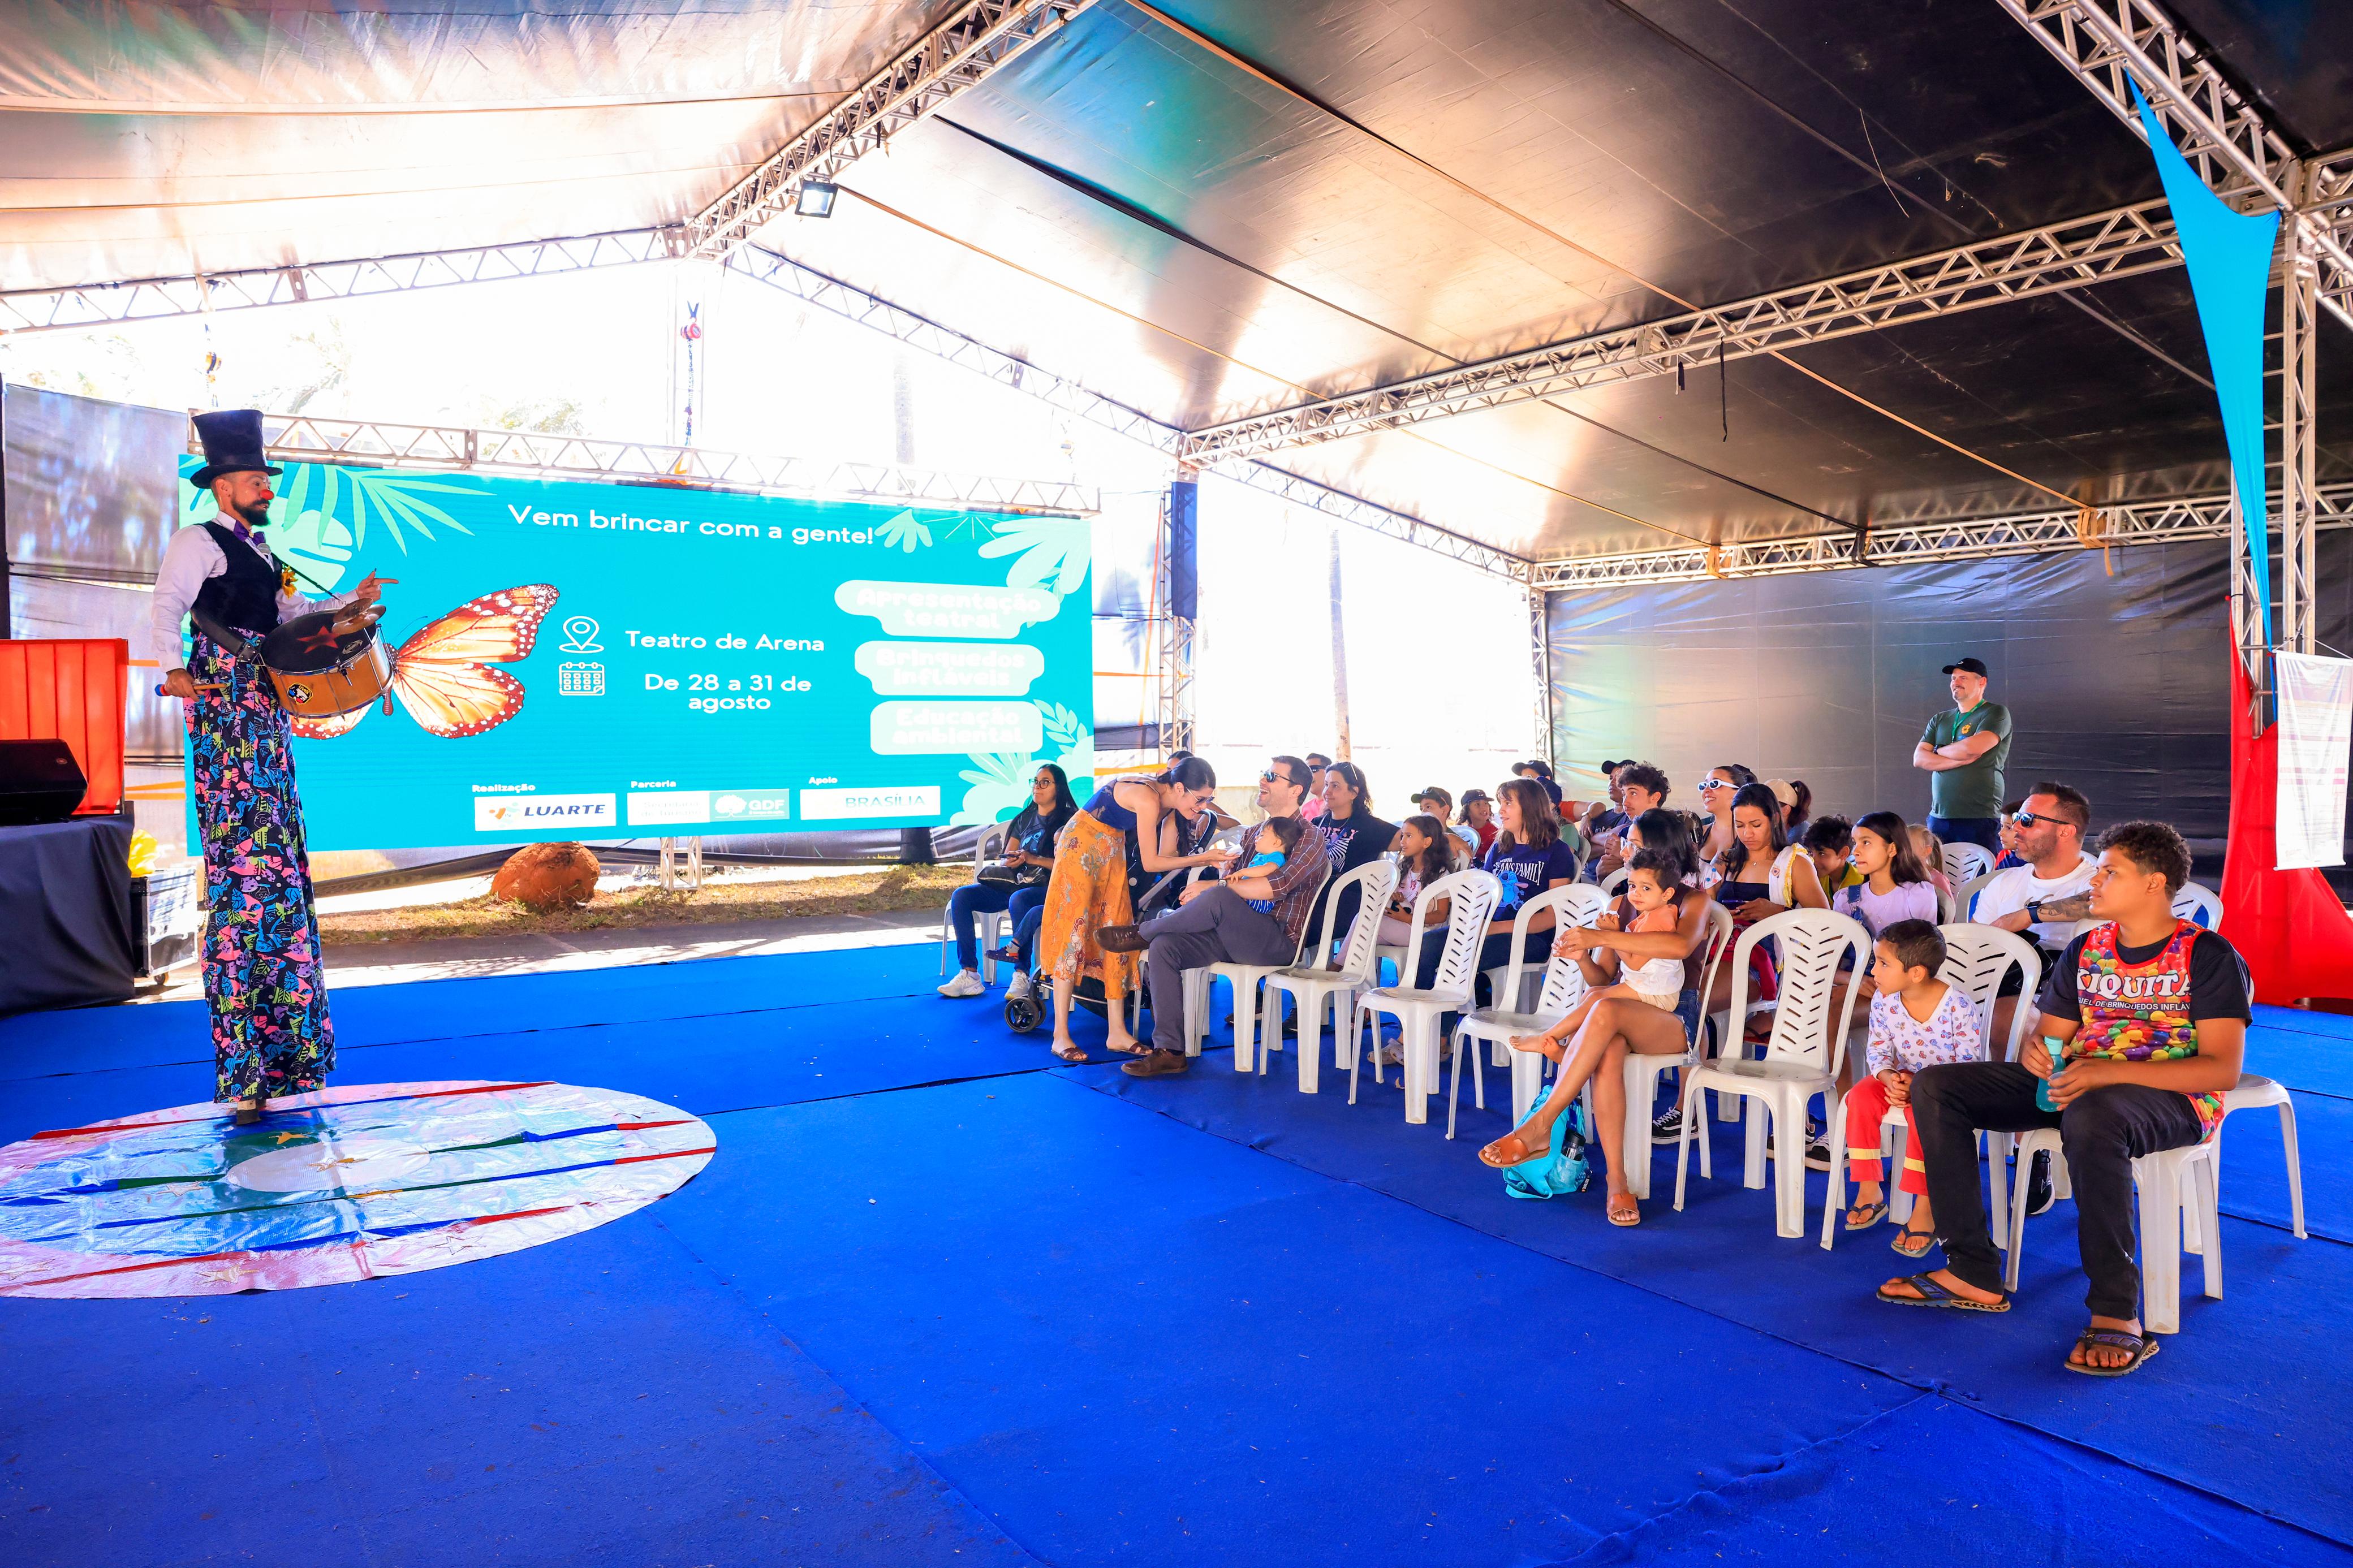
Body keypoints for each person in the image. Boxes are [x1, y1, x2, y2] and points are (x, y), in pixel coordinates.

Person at [1880, 822, 2248, 1377]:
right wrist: (2040, 1052)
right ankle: (1971, 1270)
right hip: (2080, 1083)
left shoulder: (2206, 954)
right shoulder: (2086, 948)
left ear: (2153, 884)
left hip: (2171, 1099)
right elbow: (2051, 1034)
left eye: (2109, 871)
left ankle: (2115, 1311)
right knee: (1938, 1085)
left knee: (2093, 1113)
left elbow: (2221, 1067)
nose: (2094, 880)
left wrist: (2102, 1071)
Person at [153, 409, 383, 1125]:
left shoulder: (265, 553)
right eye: (256, 480)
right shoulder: (199, 541)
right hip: (225, 707)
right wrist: (171, 668)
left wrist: (352, 606)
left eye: (266, 481)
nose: (266, 491)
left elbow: (298, 615)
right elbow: (168, 606)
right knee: (246, 872)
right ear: (223, 486)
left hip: (265, 712)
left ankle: (285, 1058)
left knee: (276, 868)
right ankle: (248, 1062)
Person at [1479, 835, 1719, 1226]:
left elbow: (1677, 946)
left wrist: (1605, 935)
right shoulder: (1624, 902)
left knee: (1604, 1006)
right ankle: (1617, 1181)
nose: (1622, 849)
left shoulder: (1690, 899)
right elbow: (1602, 977)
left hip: (1674, 1016)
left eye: (1634, 841)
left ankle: (1541, 1124)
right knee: (1605, 1031)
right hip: (1624, 1005)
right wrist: (1583, 955)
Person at [1100, 756, 1333, 1079]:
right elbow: (1230, 889)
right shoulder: (1253, 834)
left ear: (1296, 790)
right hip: (1233, 934)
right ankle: (1170, 1051)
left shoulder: (1309, 836)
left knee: (1221, 895)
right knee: (1165, 947)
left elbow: (1274, 887)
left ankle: (1143, 931)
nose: (1262, 780)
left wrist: (1215, 885)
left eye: (1272, 777)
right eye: (1263, 773)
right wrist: (1216, 884)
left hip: (1277, 941)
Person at [1035, 757, 1225, 1062]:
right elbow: (1152, 863)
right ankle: (1060, 1035)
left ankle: (1117, 1032)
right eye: (1200, 799)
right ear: (1179, 788)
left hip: (1110, 846)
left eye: (1209, 800)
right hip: (1081, 845)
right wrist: (1202, 859)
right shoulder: (1149, 798)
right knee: (1073, 933)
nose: (1203, 806)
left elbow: (1165, 855)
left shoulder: (1166, 802)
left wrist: (1200, 851)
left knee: (1117, 933)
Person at [1835, 921, 1984, 1255]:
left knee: (1925, 1114)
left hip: (1945, 1091)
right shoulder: (1884, 1000)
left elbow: (1968, 1066)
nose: (1875, 971)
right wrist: (1888, 1077)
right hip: (1901, 1078)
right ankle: (1869, 1188)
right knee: (1859, 1097)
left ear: (1916, 973)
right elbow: (1878, 1049)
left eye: (1884, 964)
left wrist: (1919, 1085)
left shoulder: (1957, 1007)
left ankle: (1926, 1205)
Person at [1504, 852, 1686, 1057]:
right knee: (1592, 993)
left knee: (1597, 997)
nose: (1636, 894)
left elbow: (1635, 964)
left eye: (1646, 888)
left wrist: (1610, 935)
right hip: (1643, 987)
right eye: (1632, 886)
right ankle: (1571, 1049)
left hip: (1656, 993)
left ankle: (1548, 1038)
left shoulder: (1661, 918)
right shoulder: (1649, 914)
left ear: (1667, 893)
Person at [1417, 778, 1576, 996]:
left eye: (1508, 804)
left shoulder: (1557, 852)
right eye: (1501, 804)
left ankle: (1445, 1026)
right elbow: (1484, 894)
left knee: (1461, 955)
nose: (1500, 811)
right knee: (1426, 944)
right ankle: (1427, 1016)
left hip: (1532, 937)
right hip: (1490, 930)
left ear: (1530, 807)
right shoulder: (1501, 847)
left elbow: (1552, 917)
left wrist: (1494, 928)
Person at [940, 763, 1076, 999]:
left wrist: (1034, 859)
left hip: (1049, 888)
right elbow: (1006, 858)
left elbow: (1072, 866)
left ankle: (1021, 974)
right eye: (1035, 781)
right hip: (1016, 883)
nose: (1037, 787)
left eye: (1045, 782)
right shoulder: (1024, 818)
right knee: (962, 895)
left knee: (1019, 899)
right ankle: (970, 974)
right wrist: (1012, 860)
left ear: (1059, 788)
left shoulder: (1069, 820)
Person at [1912, 656, 2012, 853]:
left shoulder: (1995, 713)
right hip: (1939, 817)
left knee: (1979, 878)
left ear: (1982, 682)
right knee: (1939, 877)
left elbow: (1972, 749)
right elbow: (1919, 759)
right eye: (1953, 678)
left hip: (1979, 816)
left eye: (1963, 678)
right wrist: (1956, 761)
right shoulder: (1940, 719)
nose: (1955, 683)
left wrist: (1937, 751)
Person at [1313, 760, 1397, 948]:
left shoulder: (1370, 826)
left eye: (1335, 786)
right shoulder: (1317, 823)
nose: (1327, 791)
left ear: (1353, 792)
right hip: (1316, 897)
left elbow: (1415, 837)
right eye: (1326, 785)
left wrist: (1449, 836)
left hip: (1349, 904)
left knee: (1296, 927)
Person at [1380, 815, 1455, 947]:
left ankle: (1336, 967)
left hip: (1424, 934)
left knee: (1371, 922)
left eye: (1409, 836)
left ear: (1426, 842)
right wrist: (1396, 898)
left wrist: (1409, 919)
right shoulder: (1405, 868)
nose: (1402, 841)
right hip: (1401, 926)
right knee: (1367, 936)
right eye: (1402, 836)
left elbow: (1441, 915)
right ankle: (1341, 967)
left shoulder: (1441, 874)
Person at [1588, 762, 1667, 882]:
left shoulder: (1670, 831)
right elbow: (1614, 887)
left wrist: (1628, 857)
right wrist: (1602, 876)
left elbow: (1670, 875)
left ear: (1655, 797)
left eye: (1633, 793)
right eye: (1624, 795)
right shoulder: (1625, 833)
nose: (1625, 802)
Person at [1694, 763, 1757, 865]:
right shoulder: (1698, 833)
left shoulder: (1749, 836)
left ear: (1737, 792)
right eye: (1704, 785)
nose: (1706, 790)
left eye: (1715, 784)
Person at [1802, 817, 1862, 902]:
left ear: (1843, 853)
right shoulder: (1817, 878)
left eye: (1821, 854)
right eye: (1811, 853)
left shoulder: (1859, 885)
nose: (1813, 860)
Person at [1413, 787, 1477, 865]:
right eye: (1421, 809)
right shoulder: (1420, 837)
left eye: (1428, 807)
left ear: (1445, 810)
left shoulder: (1455, 844)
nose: (1423, 813)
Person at [1910, 824, 1953, 905]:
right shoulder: (1900, 874)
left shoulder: (1938, 880)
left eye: (1909, 847)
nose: (1903, 851)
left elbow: (1950, 912)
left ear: (1926, 851)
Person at [1459, 789, 1498, 858]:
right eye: (1477, 804)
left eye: (1486, 803)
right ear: (1467, 810)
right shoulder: (1464, 834)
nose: (1484, 807)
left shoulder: (1496, 833)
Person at [1300, 752, 1332, 823]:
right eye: (1306, 772)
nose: (1308, 775)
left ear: (1328, 772)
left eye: (1313, 770)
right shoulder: (1306, 808)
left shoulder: (1338, 805)